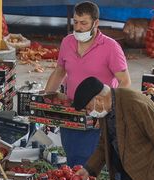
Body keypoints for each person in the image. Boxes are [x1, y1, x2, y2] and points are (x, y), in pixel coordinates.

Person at [43, 1, 131, 167]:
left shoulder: (111, 47)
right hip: (71, 112)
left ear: (95, 23)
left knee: (90, 162)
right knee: (72, 157)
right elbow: (59, 72)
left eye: (84, 23)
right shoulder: (67, 42)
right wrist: (45, 99)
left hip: (97, 116)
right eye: (75, 22)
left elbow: (125, 81)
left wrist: (108, 109)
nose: (78, 27)